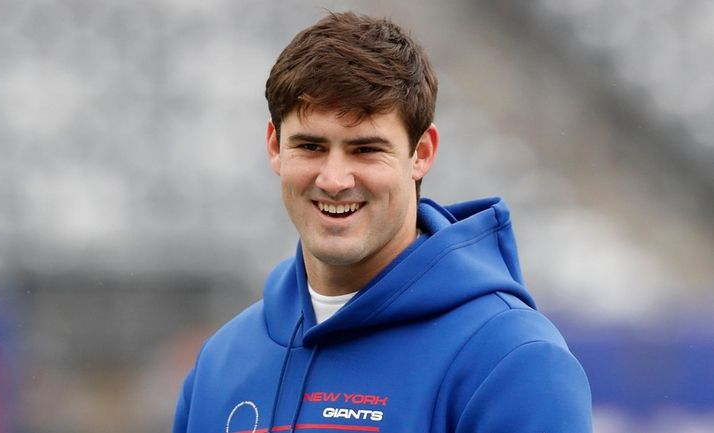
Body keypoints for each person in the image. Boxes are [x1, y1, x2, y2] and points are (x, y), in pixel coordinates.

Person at [173, 11, 592, 433]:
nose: (334, 180)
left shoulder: (512, 360)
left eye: (366, 149)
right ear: (274, 146)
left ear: (422, 152)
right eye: (311, 146)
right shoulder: (220, 363)